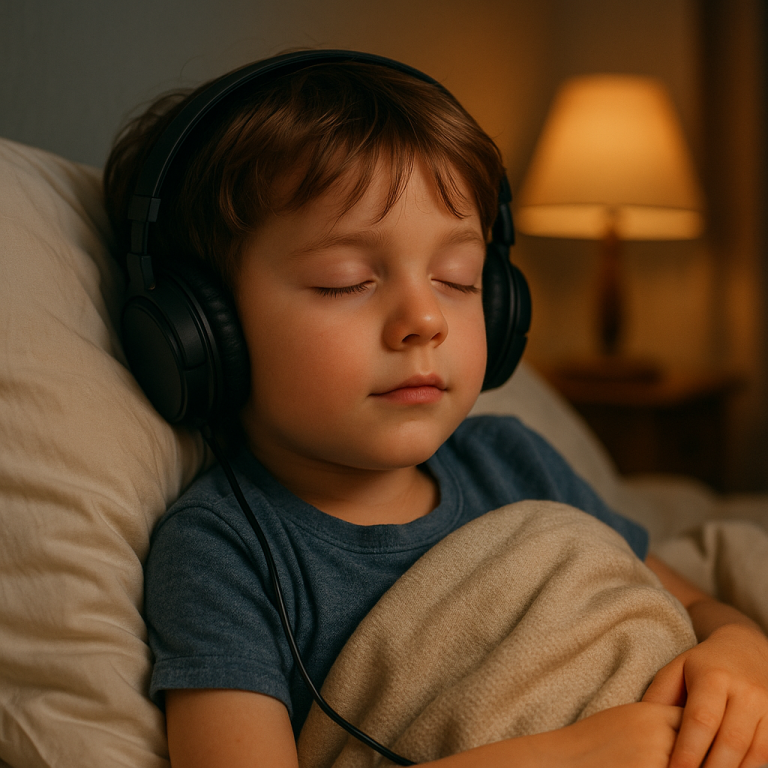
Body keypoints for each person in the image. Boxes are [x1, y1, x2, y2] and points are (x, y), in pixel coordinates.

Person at [104, 52, 768, 768]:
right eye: (345, 281)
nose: (424, 319)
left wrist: (740, 646)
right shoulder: (222, 552)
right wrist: (572, 756)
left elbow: (691, 604)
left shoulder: (514, 462)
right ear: (205, 333)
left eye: (457, 277)